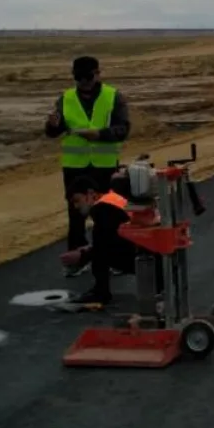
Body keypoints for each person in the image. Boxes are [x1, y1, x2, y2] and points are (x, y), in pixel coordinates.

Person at [44, 55, 131, 276]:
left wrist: (99, 134)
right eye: (79, 77)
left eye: (88, 76)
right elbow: (54, 132)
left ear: (98, 73)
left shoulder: (113, 97)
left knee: (110, 214)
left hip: (104, 166)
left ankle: (115, 257)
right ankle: (77, 259)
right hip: (75, 167)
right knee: (76, 216)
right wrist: (52, 126)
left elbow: (123, 129)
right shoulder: (66, 98)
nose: (84, 81)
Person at [59, 175, 137, 305]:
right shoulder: (111, 199)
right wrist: (89, 250)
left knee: (99, 250)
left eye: (77, 200)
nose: (76, 206)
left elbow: (105, 247)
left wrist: (82, 256)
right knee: (98, 244)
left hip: (145, 256)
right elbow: (111, 237)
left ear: (90, 194)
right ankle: (100, 291)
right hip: (150, 249)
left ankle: (100, 292)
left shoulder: (102, 209)